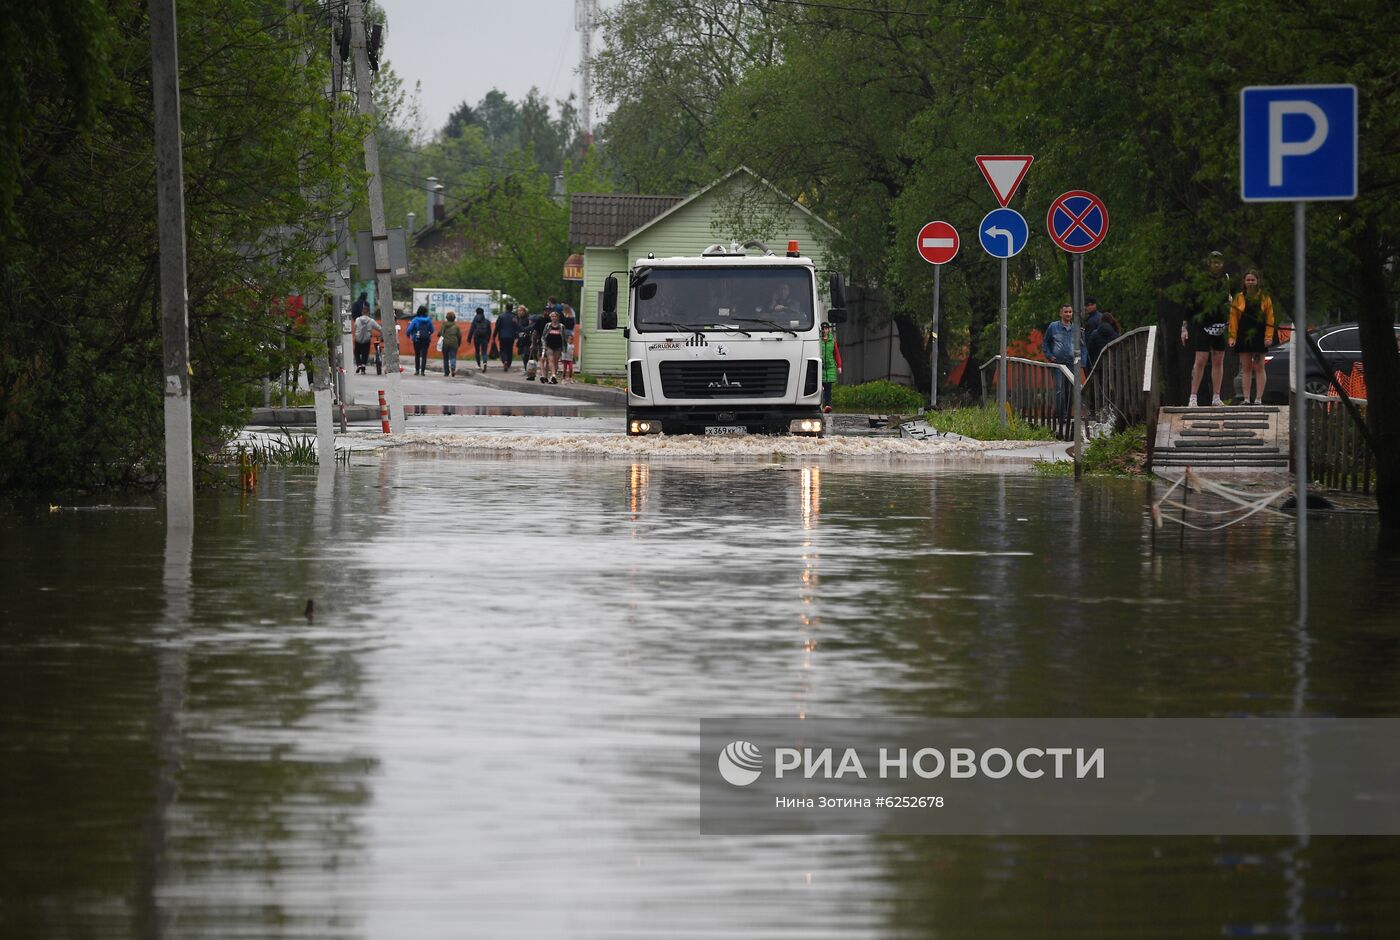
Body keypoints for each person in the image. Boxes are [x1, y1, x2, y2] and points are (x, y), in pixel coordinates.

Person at [1180, 250, 1232, 406]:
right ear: (1209, 263)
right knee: (1201, 360)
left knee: (1218, 359)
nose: (1217, 265)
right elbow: (1190, 304)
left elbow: (1230, 300)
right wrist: (1184, 327)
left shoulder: (1226, 279)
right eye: (1214, 262)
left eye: (1219, 262)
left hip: (1220, 325)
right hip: (1203, 324)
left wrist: (1229, 318)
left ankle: (1216, 396)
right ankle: (1193, 396)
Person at [1228, 269, 1275, 405]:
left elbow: (1270, 319)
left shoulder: (1265, 297)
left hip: (1260, 335)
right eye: (1248, 280)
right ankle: (1246, 398)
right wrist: (1232, 337)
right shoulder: (1239, 297)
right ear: (1244, 282)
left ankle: (1259, 398)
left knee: (1260, 366)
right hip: (1243, 335)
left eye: (1252, 280)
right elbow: (1233, 319)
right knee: (1246, 367)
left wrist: (1268, 337)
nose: (1250, 282)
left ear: (1257, 281)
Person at [1041, 303, 1088, 418]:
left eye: (1070, 312)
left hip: (1072, 363)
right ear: (1061, 313)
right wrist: (1050, 356)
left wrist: (1082, 362)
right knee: (1059, 389)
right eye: (1065, 312)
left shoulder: (1076, 329)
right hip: (1058, 363)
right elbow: (1045, 343)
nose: (1068, 314)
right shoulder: (1053, 326)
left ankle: (1066, 414)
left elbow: (1083, 346)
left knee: (1069, 390)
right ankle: (1060, 414)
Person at [351, 302, 380, 374]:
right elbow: (379, 328)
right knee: (365, 353)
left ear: (362, 312)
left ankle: (359, 365)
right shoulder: (371, 321)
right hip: (367, 339)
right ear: (368, 313)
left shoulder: (357, 320)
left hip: (358, 339)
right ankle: (363, 366)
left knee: (356, 352)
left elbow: (355, 327)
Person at [820, 321, 842, 413]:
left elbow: (836, 354)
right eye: (823, 328)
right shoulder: (818, 340)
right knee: (820, 389)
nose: (824, 330)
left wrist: (839, 365)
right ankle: (819, 405)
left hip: (829, 368)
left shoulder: (832, 341)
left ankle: (827, 406)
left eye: (826, 328)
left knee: (828, 389)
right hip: (819, 368)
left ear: (828, 330)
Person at [407, 304, 435, 375]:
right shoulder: (429, 320)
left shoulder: (415, 320)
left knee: (417, 355)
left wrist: (408, 335)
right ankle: (423, 371)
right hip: (426, 339)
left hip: (417, 339)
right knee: (424, 355)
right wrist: (428, 334)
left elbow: (409, 329)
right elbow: (432, 330)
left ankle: (417, 370)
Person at [541, 309, 567, 383]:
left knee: (555, 362)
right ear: (550, 318)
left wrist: (564, 348)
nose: (554, 318)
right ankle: (553, 375)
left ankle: (553, 378)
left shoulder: (561, 327)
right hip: (549, 346)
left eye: (555, 316)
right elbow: (543, 336)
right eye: (552, 316)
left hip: (558, 347)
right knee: (550, 360)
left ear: (558, 317)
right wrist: (544, 345)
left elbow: (564, 338)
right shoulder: (548, 325)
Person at [493, 303, 519, 372]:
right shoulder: (514, 316)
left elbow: (497, 327)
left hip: (502, 336)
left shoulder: (501, 316)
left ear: (506, 308)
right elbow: (517, 327)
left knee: (503, 349)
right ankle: (509, 363)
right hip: (511, 336)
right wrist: (517, 335)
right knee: (509, 350)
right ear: (512, 308)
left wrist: (494, 335)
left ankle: (505, 361)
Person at [468, 307, 492, 372]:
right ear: (483, 313)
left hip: (476, 337)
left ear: (476, 313)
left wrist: (469, 339)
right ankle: (484, 363)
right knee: (484, 351)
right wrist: (488, 339)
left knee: (477, 351)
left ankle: (478, 365)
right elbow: (490, 331)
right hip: (485, 337)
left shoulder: (475, 320)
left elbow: (471, 330)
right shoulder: (487, 321)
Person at [439, 311, 462, 377]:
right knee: (453, 356)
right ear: (454, 318)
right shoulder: (456, 326)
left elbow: (440, 333)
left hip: (445, 343)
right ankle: (453, 368)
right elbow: (459, 336)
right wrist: (459, 343)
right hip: (454, 343)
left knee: (445, 358)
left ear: (447, 318)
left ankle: (446, 372)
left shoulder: (444, 325)